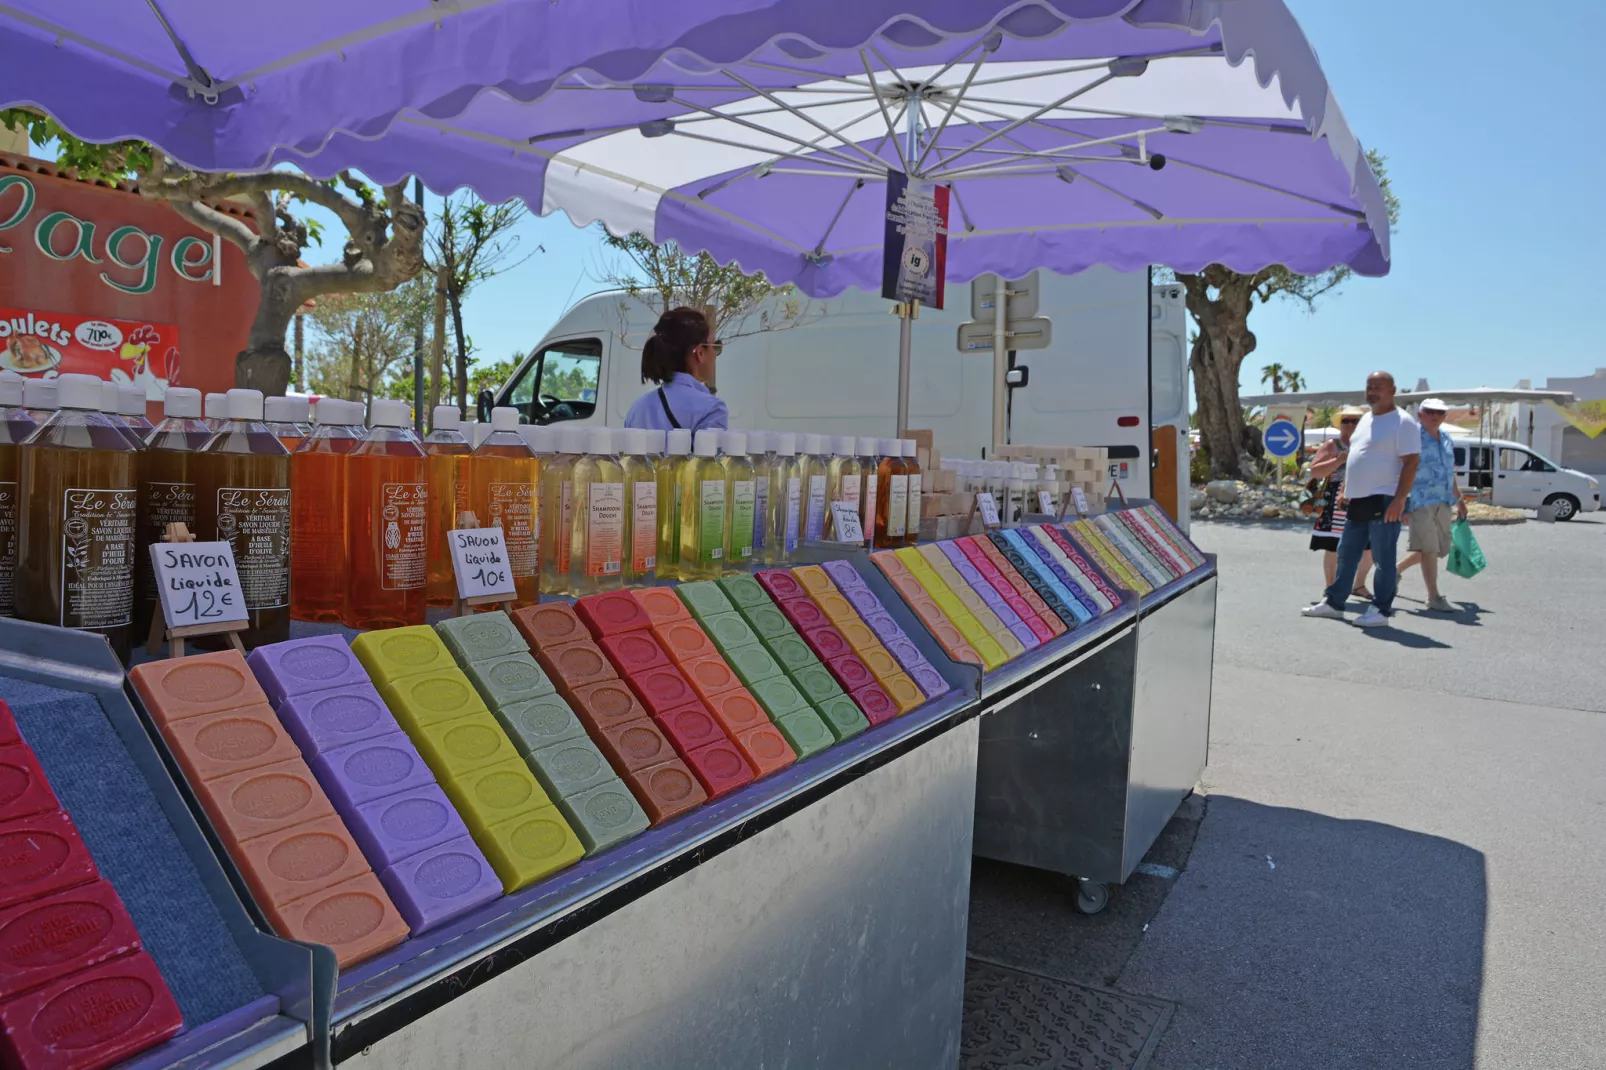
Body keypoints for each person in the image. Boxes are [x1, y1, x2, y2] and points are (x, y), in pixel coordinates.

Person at [1301, 371, 1420, 627]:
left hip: (1385, 498)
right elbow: (1358, 456)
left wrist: (1400, 500)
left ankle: (1380, 611)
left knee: (1383, 558)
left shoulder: (1403, 422)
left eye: (1379, 386)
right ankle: (1334, 603)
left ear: (1393, 390)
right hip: (1357, 499)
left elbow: (1412, 463)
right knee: (1346, 552)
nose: (1373, 391)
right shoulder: (1365, 419)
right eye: (1369, 386)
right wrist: (1345, 489)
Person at [1396, 398, 1468, 612]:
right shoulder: (1411, 438)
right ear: (1420, 414)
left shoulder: (1446, 438)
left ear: (1445, 416)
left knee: (1438, 548)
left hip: (1444, 500)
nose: (1435, 416)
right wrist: (1402, 502)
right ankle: (1433, 597)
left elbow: (1449, 471)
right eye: (1429, 412)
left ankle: (1396, 570)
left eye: (1440, 412)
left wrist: (1459, 499)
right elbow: (1400, 469)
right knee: (1429, 548)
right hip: (1420, 500)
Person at [623, 307, 728, 433]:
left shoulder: (637, 409)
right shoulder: (712, 409)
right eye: (715, 347)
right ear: (700, 353)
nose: (715, 354)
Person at [1308, 406, 1373, 595]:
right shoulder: (1332, 445)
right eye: (1347, 421)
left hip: (1365, 497)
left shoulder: (1370, 445)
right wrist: (1338, 461)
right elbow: (1315, 472)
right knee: (1333, 545)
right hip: (1337, 499)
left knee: (1369, 546)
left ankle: (1358, 585)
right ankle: (1331, 587)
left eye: (1356, 421)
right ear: (1340, 424)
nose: (1351, 424)